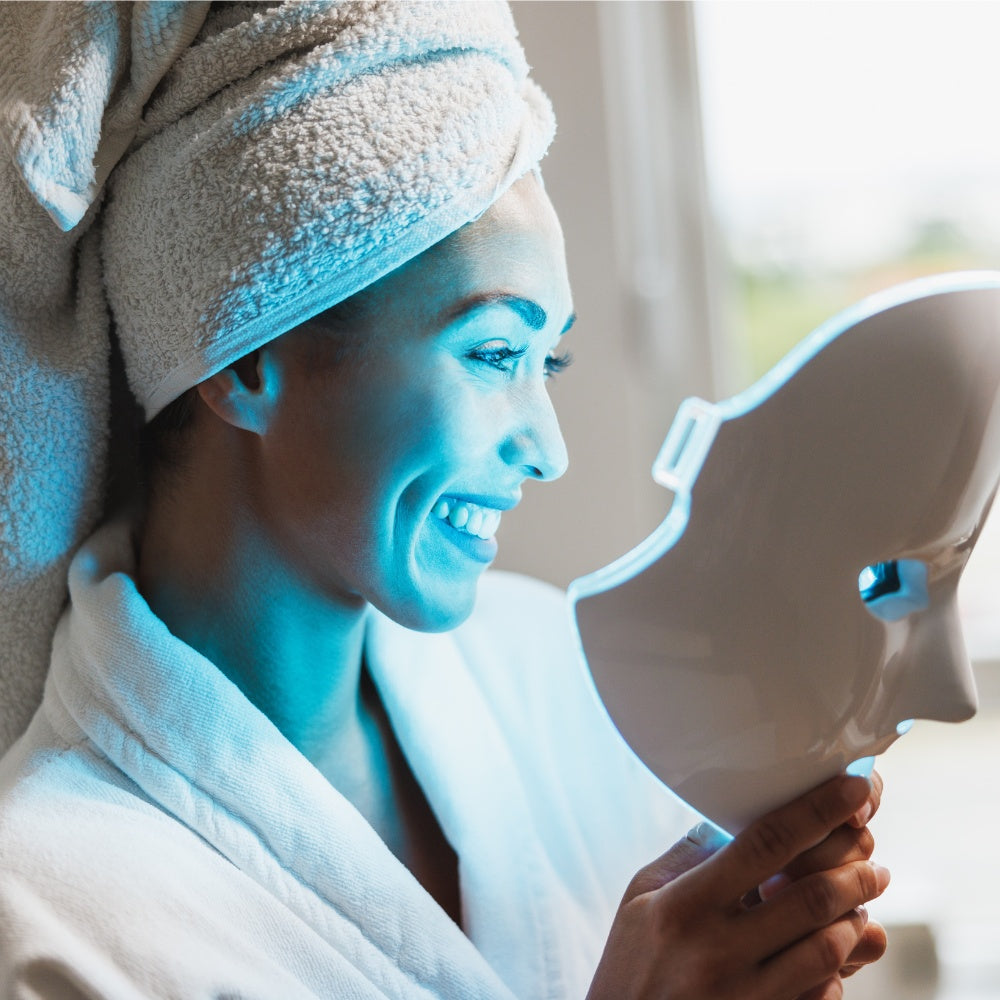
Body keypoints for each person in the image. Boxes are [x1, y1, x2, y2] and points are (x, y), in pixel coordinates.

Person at [0, 3, 888, 997]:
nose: (547, 449)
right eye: (492, 352)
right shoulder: (46, 910)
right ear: (244, 356)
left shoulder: (559, 675)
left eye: (547, 359)